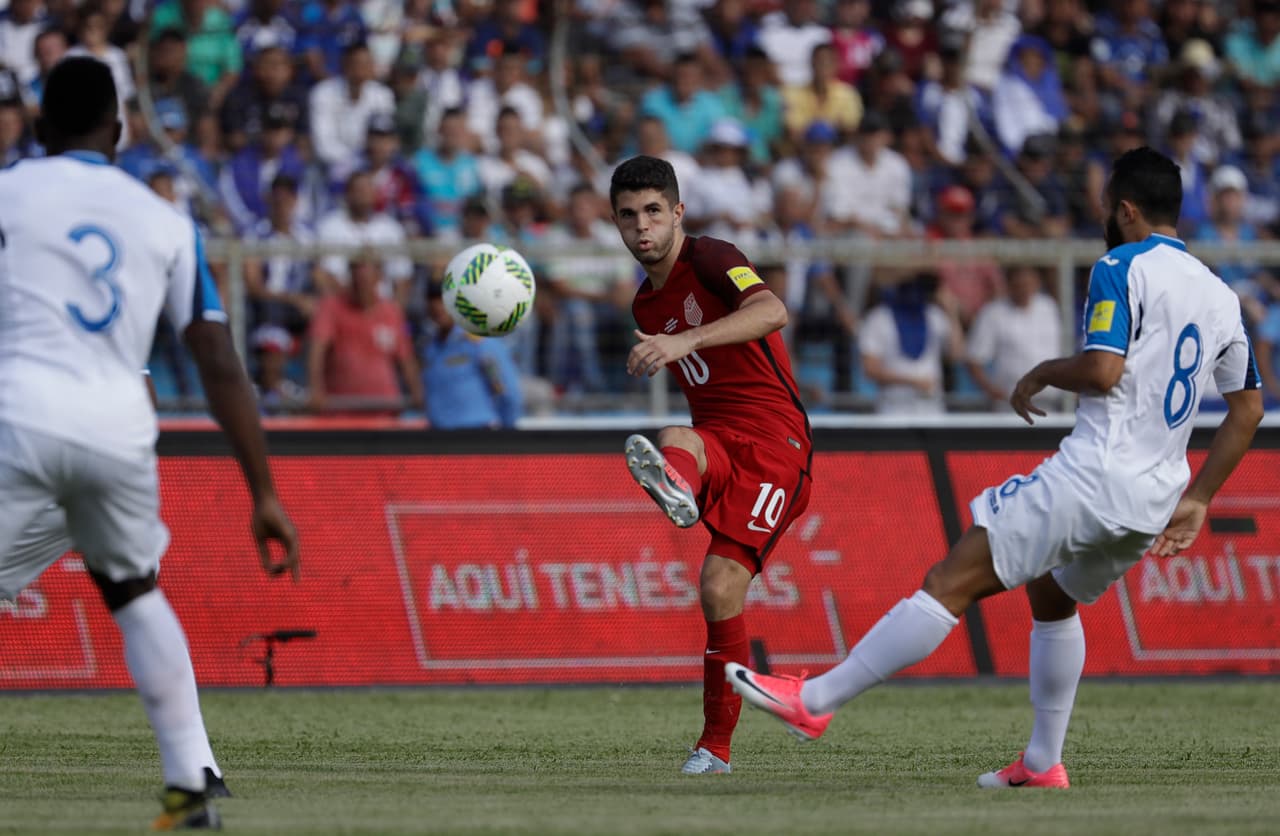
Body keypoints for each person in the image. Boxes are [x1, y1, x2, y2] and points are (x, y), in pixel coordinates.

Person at [728, 147, 1264, 789]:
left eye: (1104, 208)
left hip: (1095, 476)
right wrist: (1201, 498)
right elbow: (1249, 408)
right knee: (1053, 594)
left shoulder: (1120, 264)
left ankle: (813, 703)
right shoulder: (1221, 295)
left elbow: (1103, 370)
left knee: (949, 579)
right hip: (1153, 497)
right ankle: (1042, 763)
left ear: (1125, 210)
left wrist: (1040, 372)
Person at [0, 58, 300, 829]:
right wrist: (262, 492)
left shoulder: (9, 193)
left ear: (37, 128)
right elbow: (218, 360)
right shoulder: (165, 220)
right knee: (136, 593)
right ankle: (192, 778)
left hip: (22, 420)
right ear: (122, 129)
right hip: (120, 428)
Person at [611, 155, 813, 776]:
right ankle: (680, 487)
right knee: (676, 432)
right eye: (627, 216)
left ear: (677, 213)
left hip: (778, 445)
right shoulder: (646, 306)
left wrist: (685, 340)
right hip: (719, 439)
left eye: (652, 212)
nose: (641, 227)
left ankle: (717, 747)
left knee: (719, 584)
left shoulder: (712, 256)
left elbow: (774, 311)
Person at [420, 282, 522, 429]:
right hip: (439, 437)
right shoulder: (430, 348)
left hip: (475, 436)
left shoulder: (479, 343)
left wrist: (506, 435)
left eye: (443, 301)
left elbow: (508, 391)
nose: (437, 307)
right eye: (432, 300)